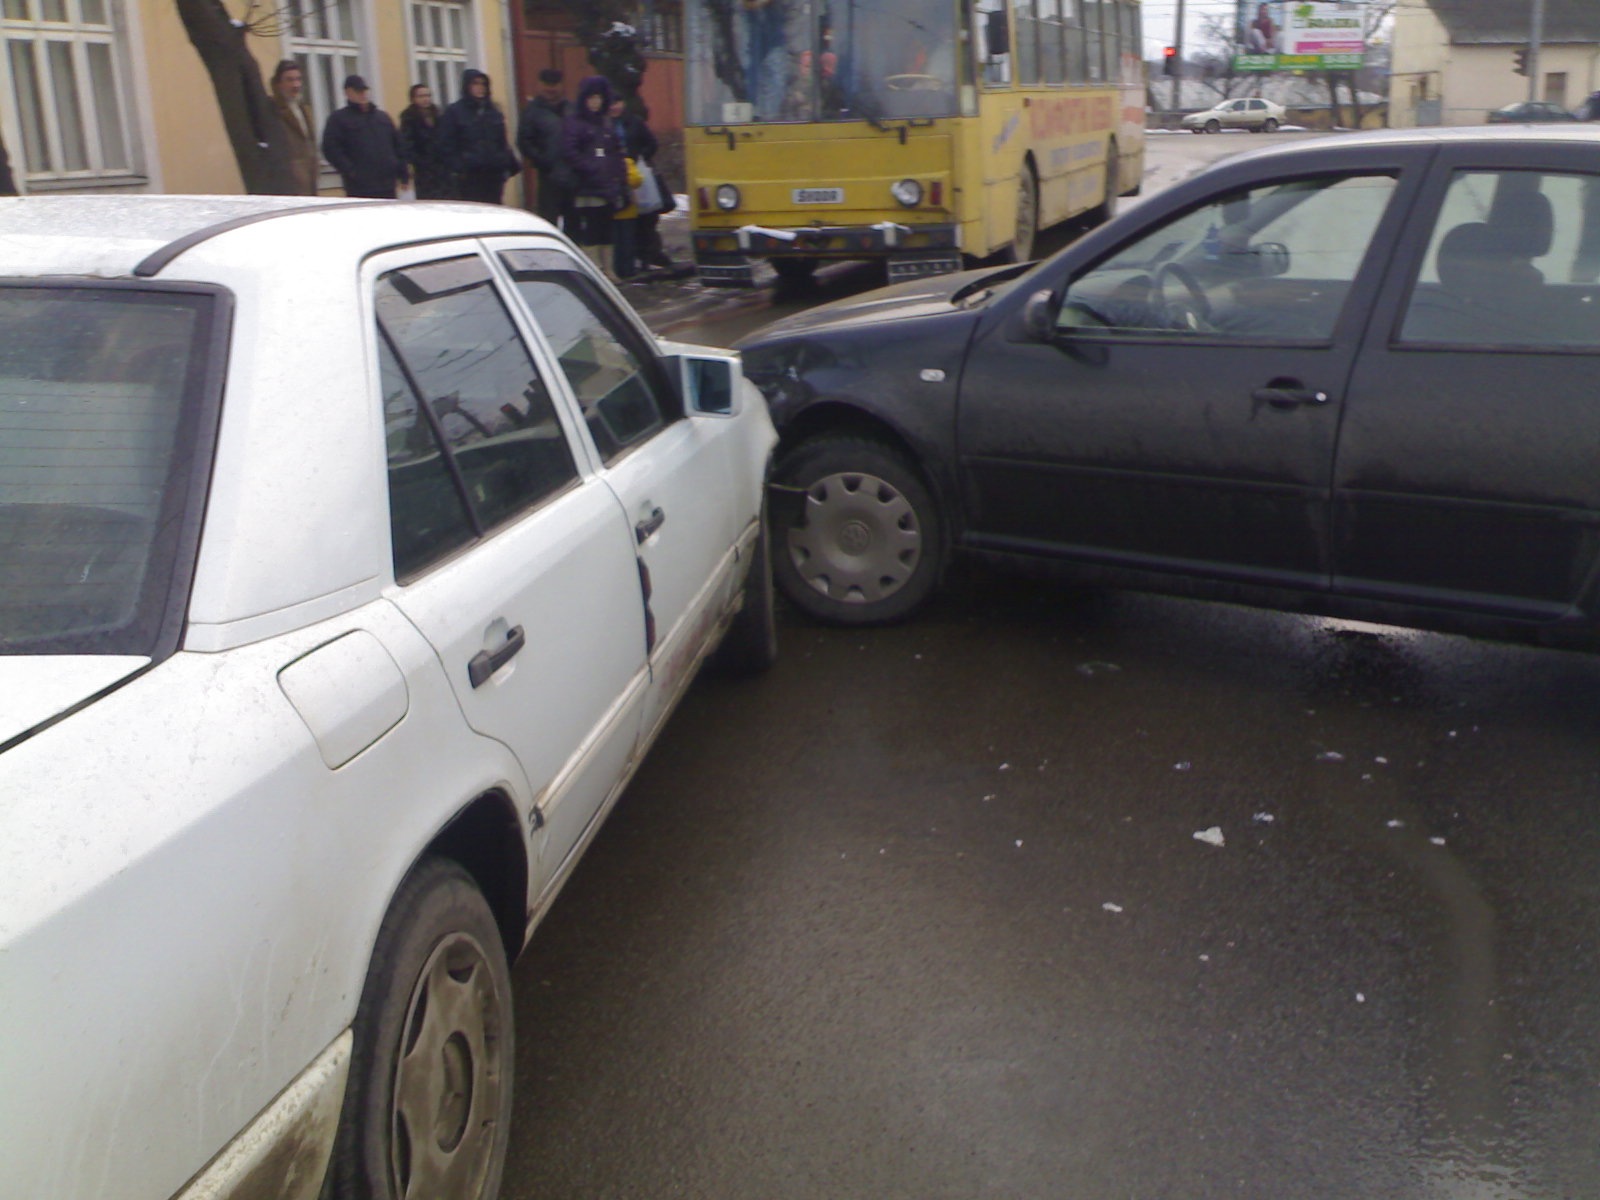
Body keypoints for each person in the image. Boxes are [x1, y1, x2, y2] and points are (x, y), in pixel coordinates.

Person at [561, 76, 629, 278]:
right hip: (587, 185)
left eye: (598, 98)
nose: (595, 102)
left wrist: (620, 178)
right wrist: (590, 168)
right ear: (583, 99)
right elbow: (569, 151)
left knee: (607, 228)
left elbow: (617, 153)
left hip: (607, 184)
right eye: (591, 98)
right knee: (591, 227)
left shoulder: (606, 124)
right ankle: (594, 269)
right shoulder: (575, 122)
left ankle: (608, 269)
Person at [436, 68, 520, 205]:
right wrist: (459, 167)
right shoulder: (455, 112)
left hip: (493, 173)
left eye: (483, 84)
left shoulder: (493, 112)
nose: (480, 88)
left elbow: (501, 141)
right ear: (467, 86)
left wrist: (506, 163)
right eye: (475, 83)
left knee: (494, 209)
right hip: (469, 174)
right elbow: (446, 143)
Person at [610, 99, 674, 271]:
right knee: (624, 218)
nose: (614, 107)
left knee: (647, 217)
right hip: (615, 174)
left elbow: (651, 143)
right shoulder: (603, 124)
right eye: (610, 104)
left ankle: (648, 254)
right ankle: (630, 258)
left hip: (638, 174)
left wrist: (640, 156)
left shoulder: (634, 122)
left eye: (617, 103)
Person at [321, 75, 408, 199]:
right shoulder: (339, 119)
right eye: (358, 91)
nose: (362, 94)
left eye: (364, 91)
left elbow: (398, 146)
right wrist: (351, 171)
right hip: (360, 187)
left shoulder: (382, 117)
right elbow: (330, 149)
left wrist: (403, 173)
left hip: (387, 184)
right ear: (348, 93)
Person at [516, 68, 575, 228]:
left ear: (561, 86)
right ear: (539, 85)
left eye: (555, 84)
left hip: (573, 173)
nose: (551, 89)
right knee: (549, 220)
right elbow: (524, 141)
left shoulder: (571, 108)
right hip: (549, 175)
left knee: (574, 222)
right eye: (547, 84)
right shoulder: (532, 111)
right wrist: (542, 160)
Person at [269, 60, 318, 195]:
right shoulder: (272, 110)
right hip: (288, 185)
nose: (296, 85)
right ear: (279, 84)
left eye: (298, 79)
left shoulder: (304, 109)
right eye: (289, 80)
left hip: (309, 181)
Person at [398, 82, 451, 199]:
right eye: (421, 96)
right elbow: (406, 144)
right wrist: (418, 161)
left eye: (428, 95)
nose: (425, 99)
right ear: (413, 98)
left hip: (442, 168)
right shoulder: (409, 117)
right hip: (423, 170)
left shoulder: (438, 114)